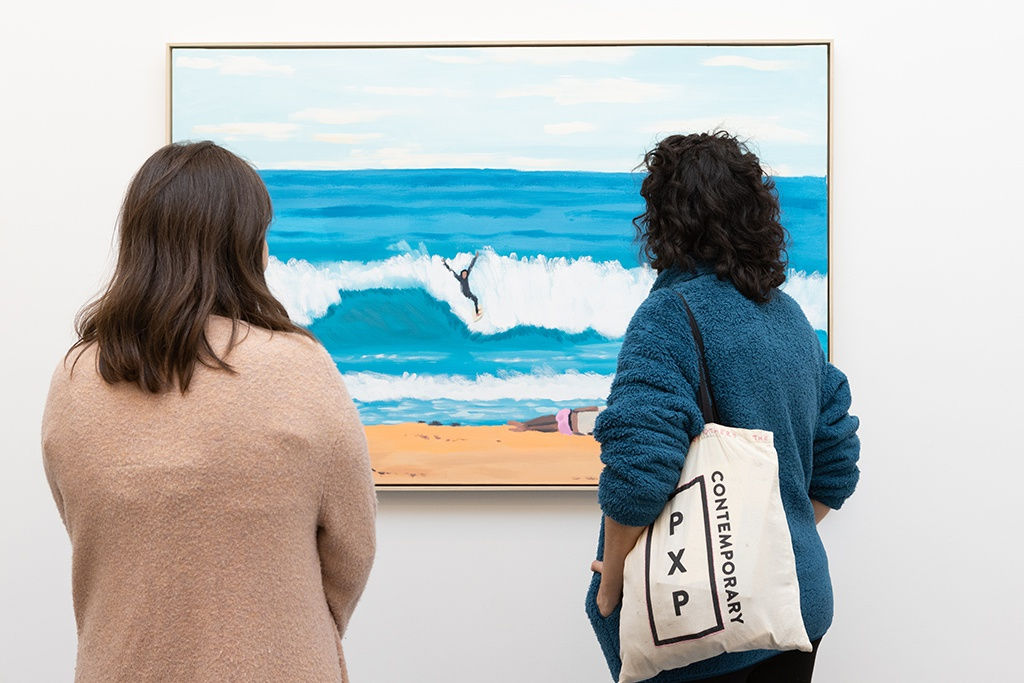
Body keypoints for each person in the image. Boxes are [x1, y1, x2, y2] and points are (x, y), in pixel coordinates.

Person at [41, 141, 376, 682]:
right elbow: (351, 548)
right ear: (243, 246)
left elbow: (88, 526)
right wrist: (281, 627)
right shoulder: (301, 368)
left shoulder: (75, 378)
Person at [586, 132, 860, 682]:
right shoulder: (790, 318)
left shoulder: (669, 316)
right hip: (797, 608)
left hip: (707, 628)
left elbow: (640, 469)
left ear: (665, 220)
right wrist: (772, 547)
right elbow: (834, 467)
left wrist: (611, 578)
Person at [508, 406, 606, 435]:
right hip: (578, 426)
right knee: (555, 425)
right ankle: (527, 426)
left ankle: (526, 425)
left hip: (576, 420)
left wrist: (577, 410)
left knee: (554, 419)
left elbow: (593, 408)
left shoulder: (610, 410)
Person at [442, 251, 482, 316]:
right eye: (463, 274)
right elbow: (451, 270)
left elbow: (471, 266)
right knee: (475, 299)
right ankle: (476, 312)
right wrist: (445, 263)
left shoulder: (466, 276)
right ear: (461, 274)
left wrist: (475, 257)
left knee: (476, 299)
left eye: (466, 274)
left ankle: (476, 311)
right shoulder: (459, 278)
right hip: (464, 293)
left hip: (469, 292)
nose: (465, 275)